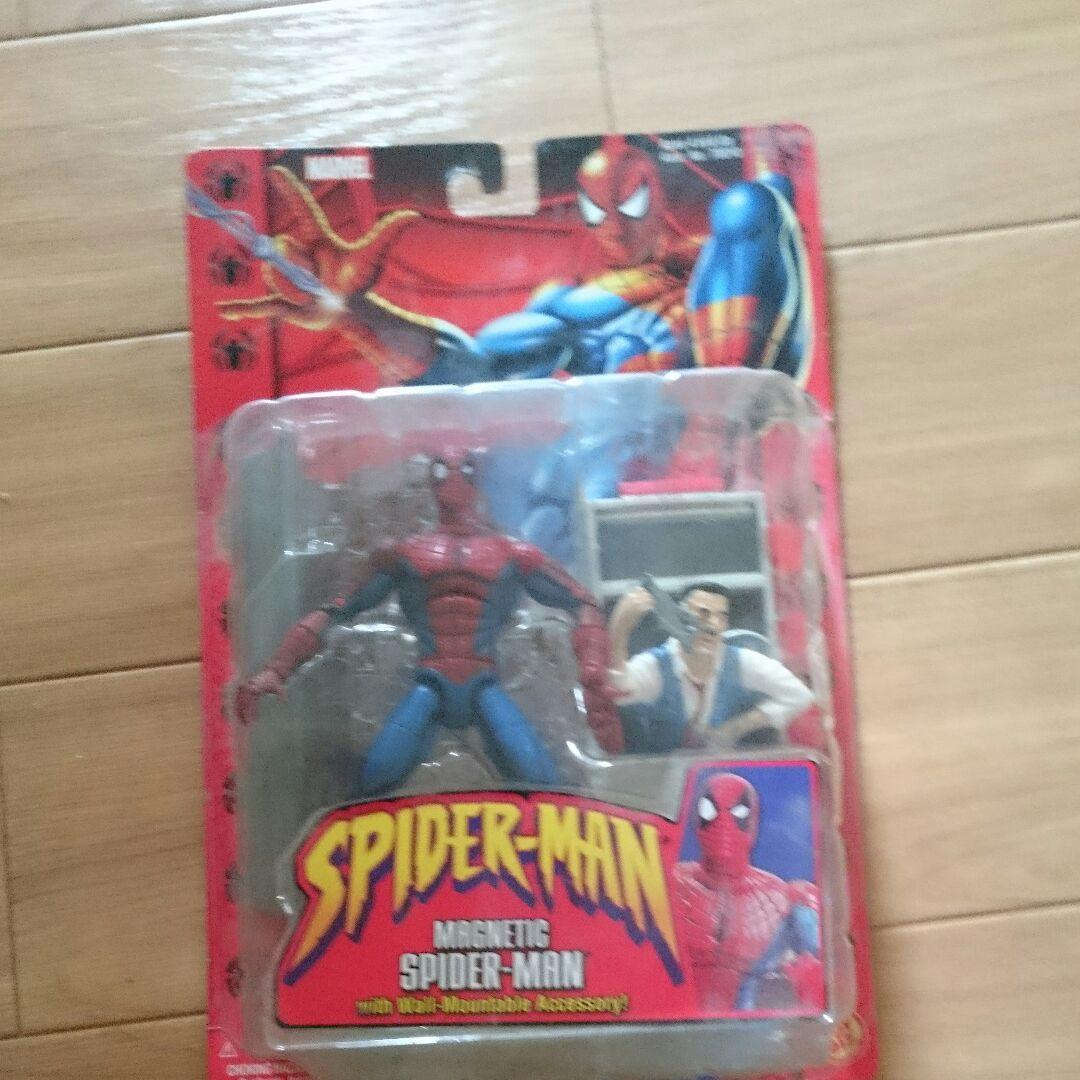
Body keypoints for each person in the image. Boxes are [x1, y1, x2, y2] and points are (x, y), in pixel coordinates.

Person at [607, 581, 813, 751]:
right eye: (703, 614)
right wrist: (620, 629)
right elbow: (619, 692)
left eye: (721, 617)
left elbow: (799, 695)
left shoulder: (740, 662)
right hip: (660, 773)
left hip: (720, 772)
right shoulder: (658, 665)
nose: (713, 625)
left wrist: (737, 726)